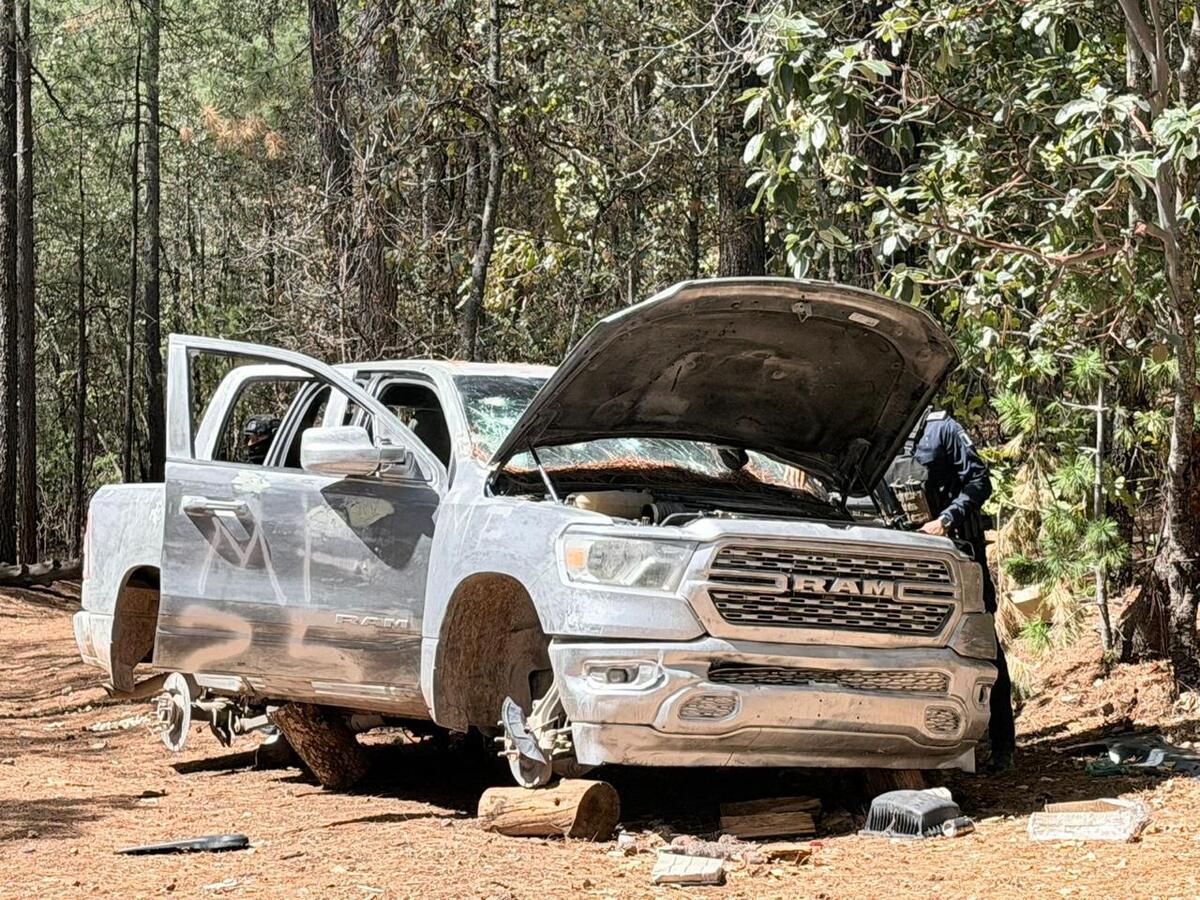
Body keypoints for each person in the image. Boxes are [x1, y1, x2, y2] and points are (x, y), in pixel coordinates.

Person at [888, 409, 1016, 772]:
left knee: (982, 645)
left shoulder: (941, 428)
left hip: (957, 556)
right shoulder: (882, 432)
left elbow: (980, 481)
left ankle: (1002, 745)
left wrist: (945, 520)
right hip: (903, 559)